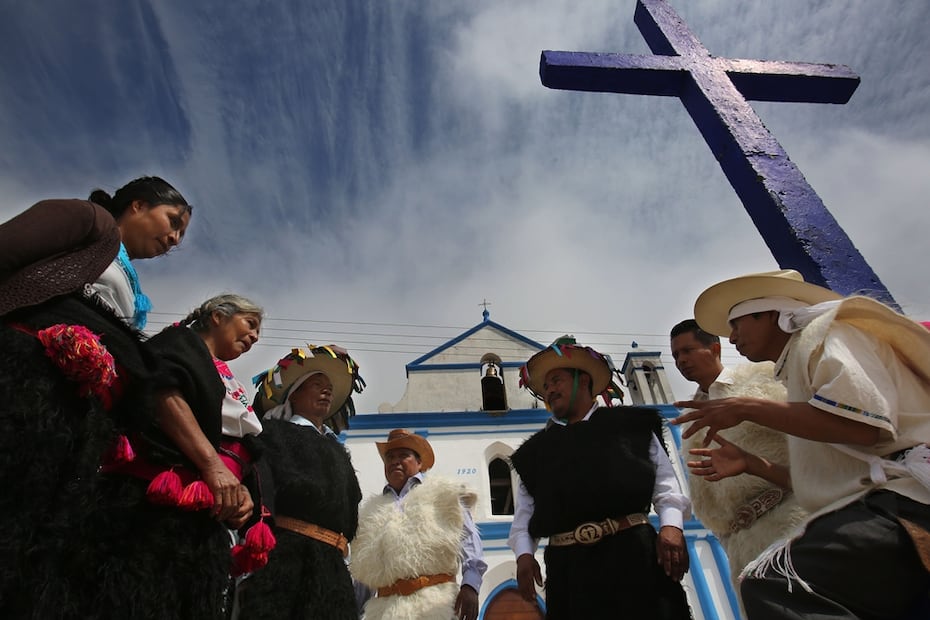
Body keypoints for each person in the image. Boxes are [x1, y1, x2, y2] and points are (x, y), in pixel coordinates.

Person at [673, 269, 930, 619]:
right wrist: (750, 463)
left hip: (908, 496)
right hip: (875, 502)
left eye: (737, 324)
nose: (732, 338)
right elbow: (824, 474)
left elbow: (864, 427)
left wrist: (748, 407)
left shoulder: (826, 335)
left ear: (769, 312)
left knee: (776, 584)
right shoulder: (799, 364)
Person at [0, 177, 191, 617]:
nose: (175, 238)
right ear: (138, 205)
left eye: (181, 235)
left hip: (72, 417)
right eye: (172, 221)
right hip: (24, 381)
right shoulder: (88, 221)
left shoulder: (131, 286)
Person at [92, 293, 268, 619]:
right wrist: (212, 466)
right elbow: (162, 394)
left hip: (203, 518)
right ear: (217, 316)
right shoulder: (178, 343)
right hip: (152, 510)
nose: (255, 336)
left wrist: (241, 494)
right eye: (250, 324)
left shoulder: (228, 380)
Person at [508, 336, 693, 619]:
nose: (549, 390)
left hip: (634, 559)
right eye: (545, 386)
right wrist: (523, 555)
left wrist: (672, 527)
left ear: (583, 381)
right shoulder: (534, 453)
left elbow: (665, 483)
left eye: (556, 380)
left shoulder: (633, 427)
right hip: (568, 573)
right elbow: (525, 513)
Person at [670, 319, 806, 601]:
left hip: (797, 521)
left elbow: (809, 433)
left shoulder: (763, 379)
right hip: (743, 548)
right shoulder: (689, 423)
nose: (681, 360)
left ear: (715, 348)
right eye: (675, 356)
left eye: (688, 350)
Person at [237, 345, 366, 620]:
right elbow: (261, 492)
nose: (327, 390)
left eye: (329, 387)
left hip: (334, 567)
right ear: (293, 395)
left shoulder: (337, 448)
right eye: (317, 385)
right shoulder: (273, 435)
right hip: (286, 561)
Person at [351, 429, 487, 620]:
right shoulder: (370, 513)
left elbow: (469, 541)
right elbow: (364, 575)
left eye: (403, 455)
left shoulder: (443, 495)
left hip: (434, 606)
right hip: (384, 612)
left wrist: (470, 585)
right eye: (390, 457)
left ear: (419, 463)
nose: (395, 461)